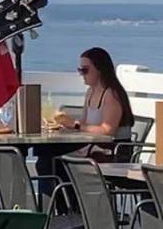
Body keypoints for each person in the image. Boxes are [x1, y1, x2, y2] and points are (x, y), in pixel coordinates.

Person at [33, 47, 135, 196]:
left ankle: (70, 209)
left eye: (85, 70)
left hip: (112, 150)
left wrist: (75, 124)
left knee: (51, 163)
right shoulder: (91, 92)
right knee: (45, 156)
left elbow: (108, 130)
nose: (81, 74)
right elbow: (83, 123)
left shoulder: (111, 94)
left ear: (99, 69)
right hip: (93, 147)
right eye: (80, 70)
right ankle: (64, 208)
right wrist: (63, 124)